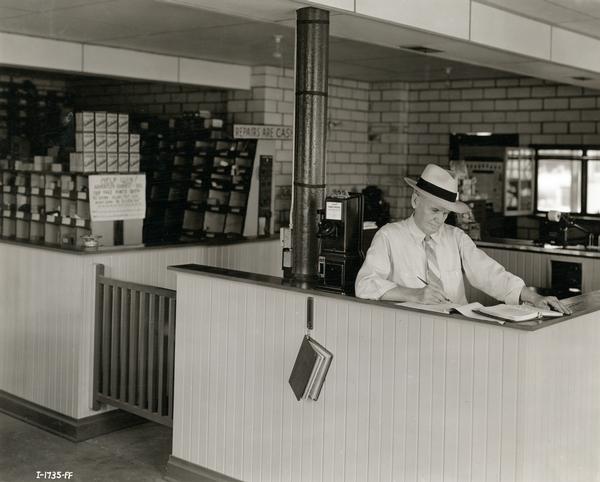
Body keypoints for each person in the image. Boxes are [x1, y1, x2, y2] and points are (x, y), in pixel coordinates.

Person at [355, 163, 571, 314]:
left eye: (445, 213)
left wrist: (533, 297)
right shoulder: (389, 236)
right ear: (414, 200)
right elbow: (365, 284)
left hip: (457, 328)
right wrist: (414, 294)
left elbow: (489, 273)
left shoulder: (455, 237)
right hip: (409, 329)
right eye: (435, 210)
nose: (439, 219)